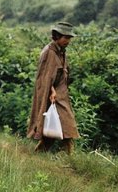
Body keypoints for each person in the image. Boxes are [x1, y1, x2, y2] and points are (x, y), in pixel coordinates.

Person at [27, 22, 79, 154]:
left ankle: (42, 154)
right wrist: (52, 90)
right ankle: (69, 157)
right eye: (65, 37)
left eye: (69, 38)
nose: (68, 41)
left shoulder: (60, 51)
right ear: (57, 36)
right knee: (65, 125)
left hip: (61, 94)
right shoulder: (49, 52)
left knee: (60, 127)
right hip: (52, 95)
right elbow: (44, 77)